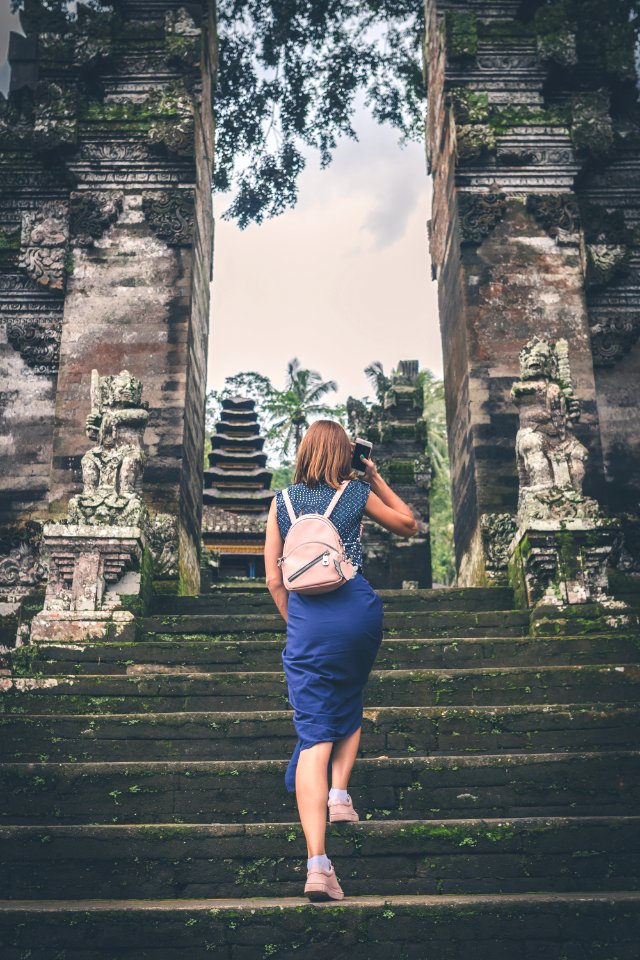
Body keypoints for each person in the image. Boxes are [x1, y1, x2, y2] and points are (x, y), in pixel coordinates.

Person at [264, 419, 419, 901]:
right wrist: (372, 476)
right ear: (344, 455)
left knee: (314, 735)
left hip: (309, 618)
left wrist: (299, 622)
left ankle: (317, 865)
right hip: (356, 609)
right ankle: (339, 793)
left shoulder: (282, 501)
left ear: (305, 451)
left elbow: (272, 578)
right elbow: (408, 524)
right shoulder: (353, 494)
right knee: (350, 692)